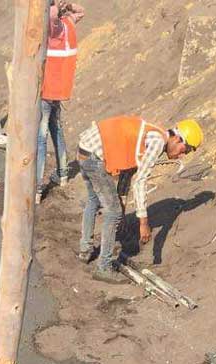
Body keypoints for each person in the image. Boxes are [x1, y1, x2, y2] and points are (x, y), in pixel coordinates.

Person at [77, 116, 203, 283]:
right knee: (112, 212)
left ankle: (85, 251)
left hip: (85, 150)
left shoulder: (151, 134)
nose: (181, 156)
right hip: (95, 158)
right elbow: (140, 182)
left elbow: (127, 173)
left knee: (95, 200)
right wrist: (143, 222)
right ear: (178, 139)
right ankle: (104, 267)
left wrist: (122, 205)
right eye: (184, 150)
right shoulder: (157, 143)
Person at [37, 0, 85, 203]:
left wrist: (55, 4)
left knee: (40, 136)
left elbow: (49, 15)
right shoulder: (69, 25)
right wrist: (68, 5)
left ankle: (37, 187)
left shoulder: (55, 28)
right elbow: (81, 11)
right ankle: (63, 174)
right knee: (57, 129)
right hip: (60, 91)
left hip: (46, 89)